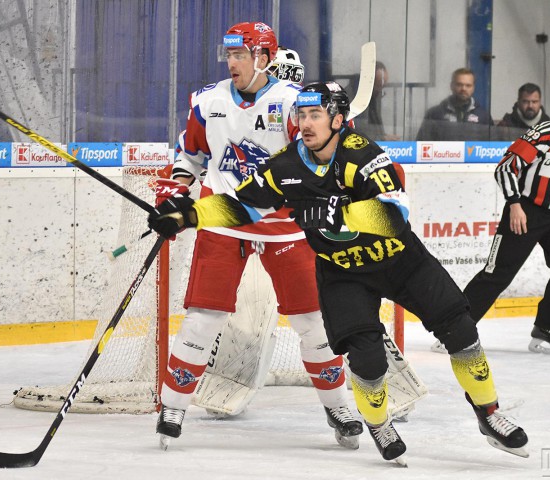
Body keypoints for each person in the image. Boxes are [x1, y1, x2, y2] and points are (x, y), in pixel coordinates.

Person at [148, 81, 530, 464]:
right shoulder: (285, 166)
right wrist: (186, 216)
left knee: (461, 330)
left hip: (401, 262)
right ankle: (379, 423)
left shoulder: (363, 154)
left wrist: (338, 213)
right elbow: (240, 206)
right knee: (367, 362)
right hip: (344, 274)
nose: (305, 123)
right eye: (301, 115)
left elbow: (394, 216)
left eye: (315, 115)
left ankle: (489, 414)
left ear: (337, 120)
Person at [156, 22, 362, 451]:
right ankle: (172, 407)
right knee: (203, 319)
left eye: (241, 55)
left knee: (312, 322)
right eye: (229, 55)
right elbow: (190, 156)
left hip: (284, 226)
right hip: (223, 221)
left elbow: (323, 153)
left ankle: (339, 406)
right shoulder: (207, 101)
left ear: (264, 58)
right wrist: (174, 194)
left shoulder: (293, 104)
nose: (232, 63)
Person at [433, 81, 550, 356]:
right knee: (497, 274)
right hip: (527, 210)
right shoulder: (544, 134)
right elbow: (506, 168)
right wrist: (515, 204)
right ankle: (453, 330)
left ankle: (546, 329)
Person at [416, 67, 493, 140]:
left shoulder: (483, 116)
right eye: (459, 84)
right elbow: (421, 144)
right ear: (451, 86)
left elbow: (493, 145)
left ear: (473, 88)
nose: (463, 89)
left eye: (468, 85)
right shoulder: (434, 113)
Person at [356, 61, 399, 141]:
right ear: (369, 83)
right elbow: (358, 130)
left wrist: (383, 136)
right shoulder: (355, 99)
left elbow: (373, 127)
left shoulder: (375, 96)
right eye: (379, 86)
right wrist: (381, 138)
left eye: (383, 86)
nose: (381, 91)